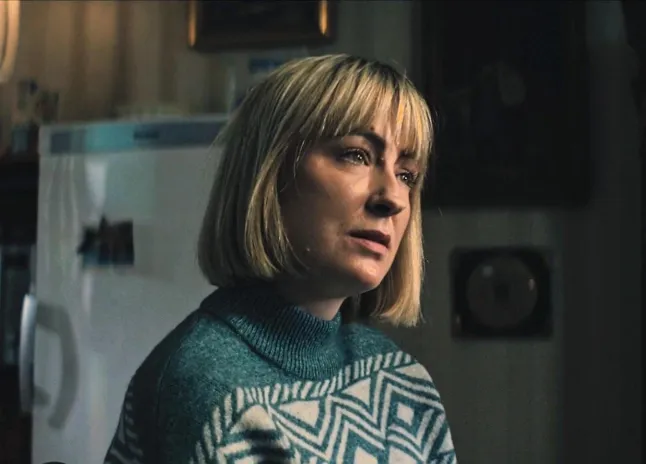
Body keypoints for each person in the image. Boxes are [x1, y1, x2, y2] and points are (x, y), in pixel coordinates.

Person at [104, 54, 456, 463]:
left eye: (407, 175)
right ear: (269, 174)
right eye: (356, 155)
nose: (393, 198)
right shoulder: (211, 391)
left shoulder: (402, 381)